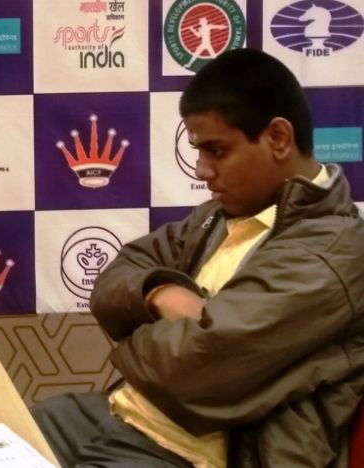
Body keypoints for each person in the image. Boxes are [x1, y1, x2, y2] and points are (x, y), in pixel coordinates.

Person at [33, 48, 364, 467]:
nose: (202, 170)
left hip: (184, 452)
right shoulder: (217, 216)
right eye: (199, 151)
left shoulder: (333, 252)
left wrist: (130, 338)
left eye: (217, 151)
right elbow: (114, 277)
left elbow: (192, 370)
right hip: (117, 412)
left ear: (278, 138)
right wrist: (159, 292)